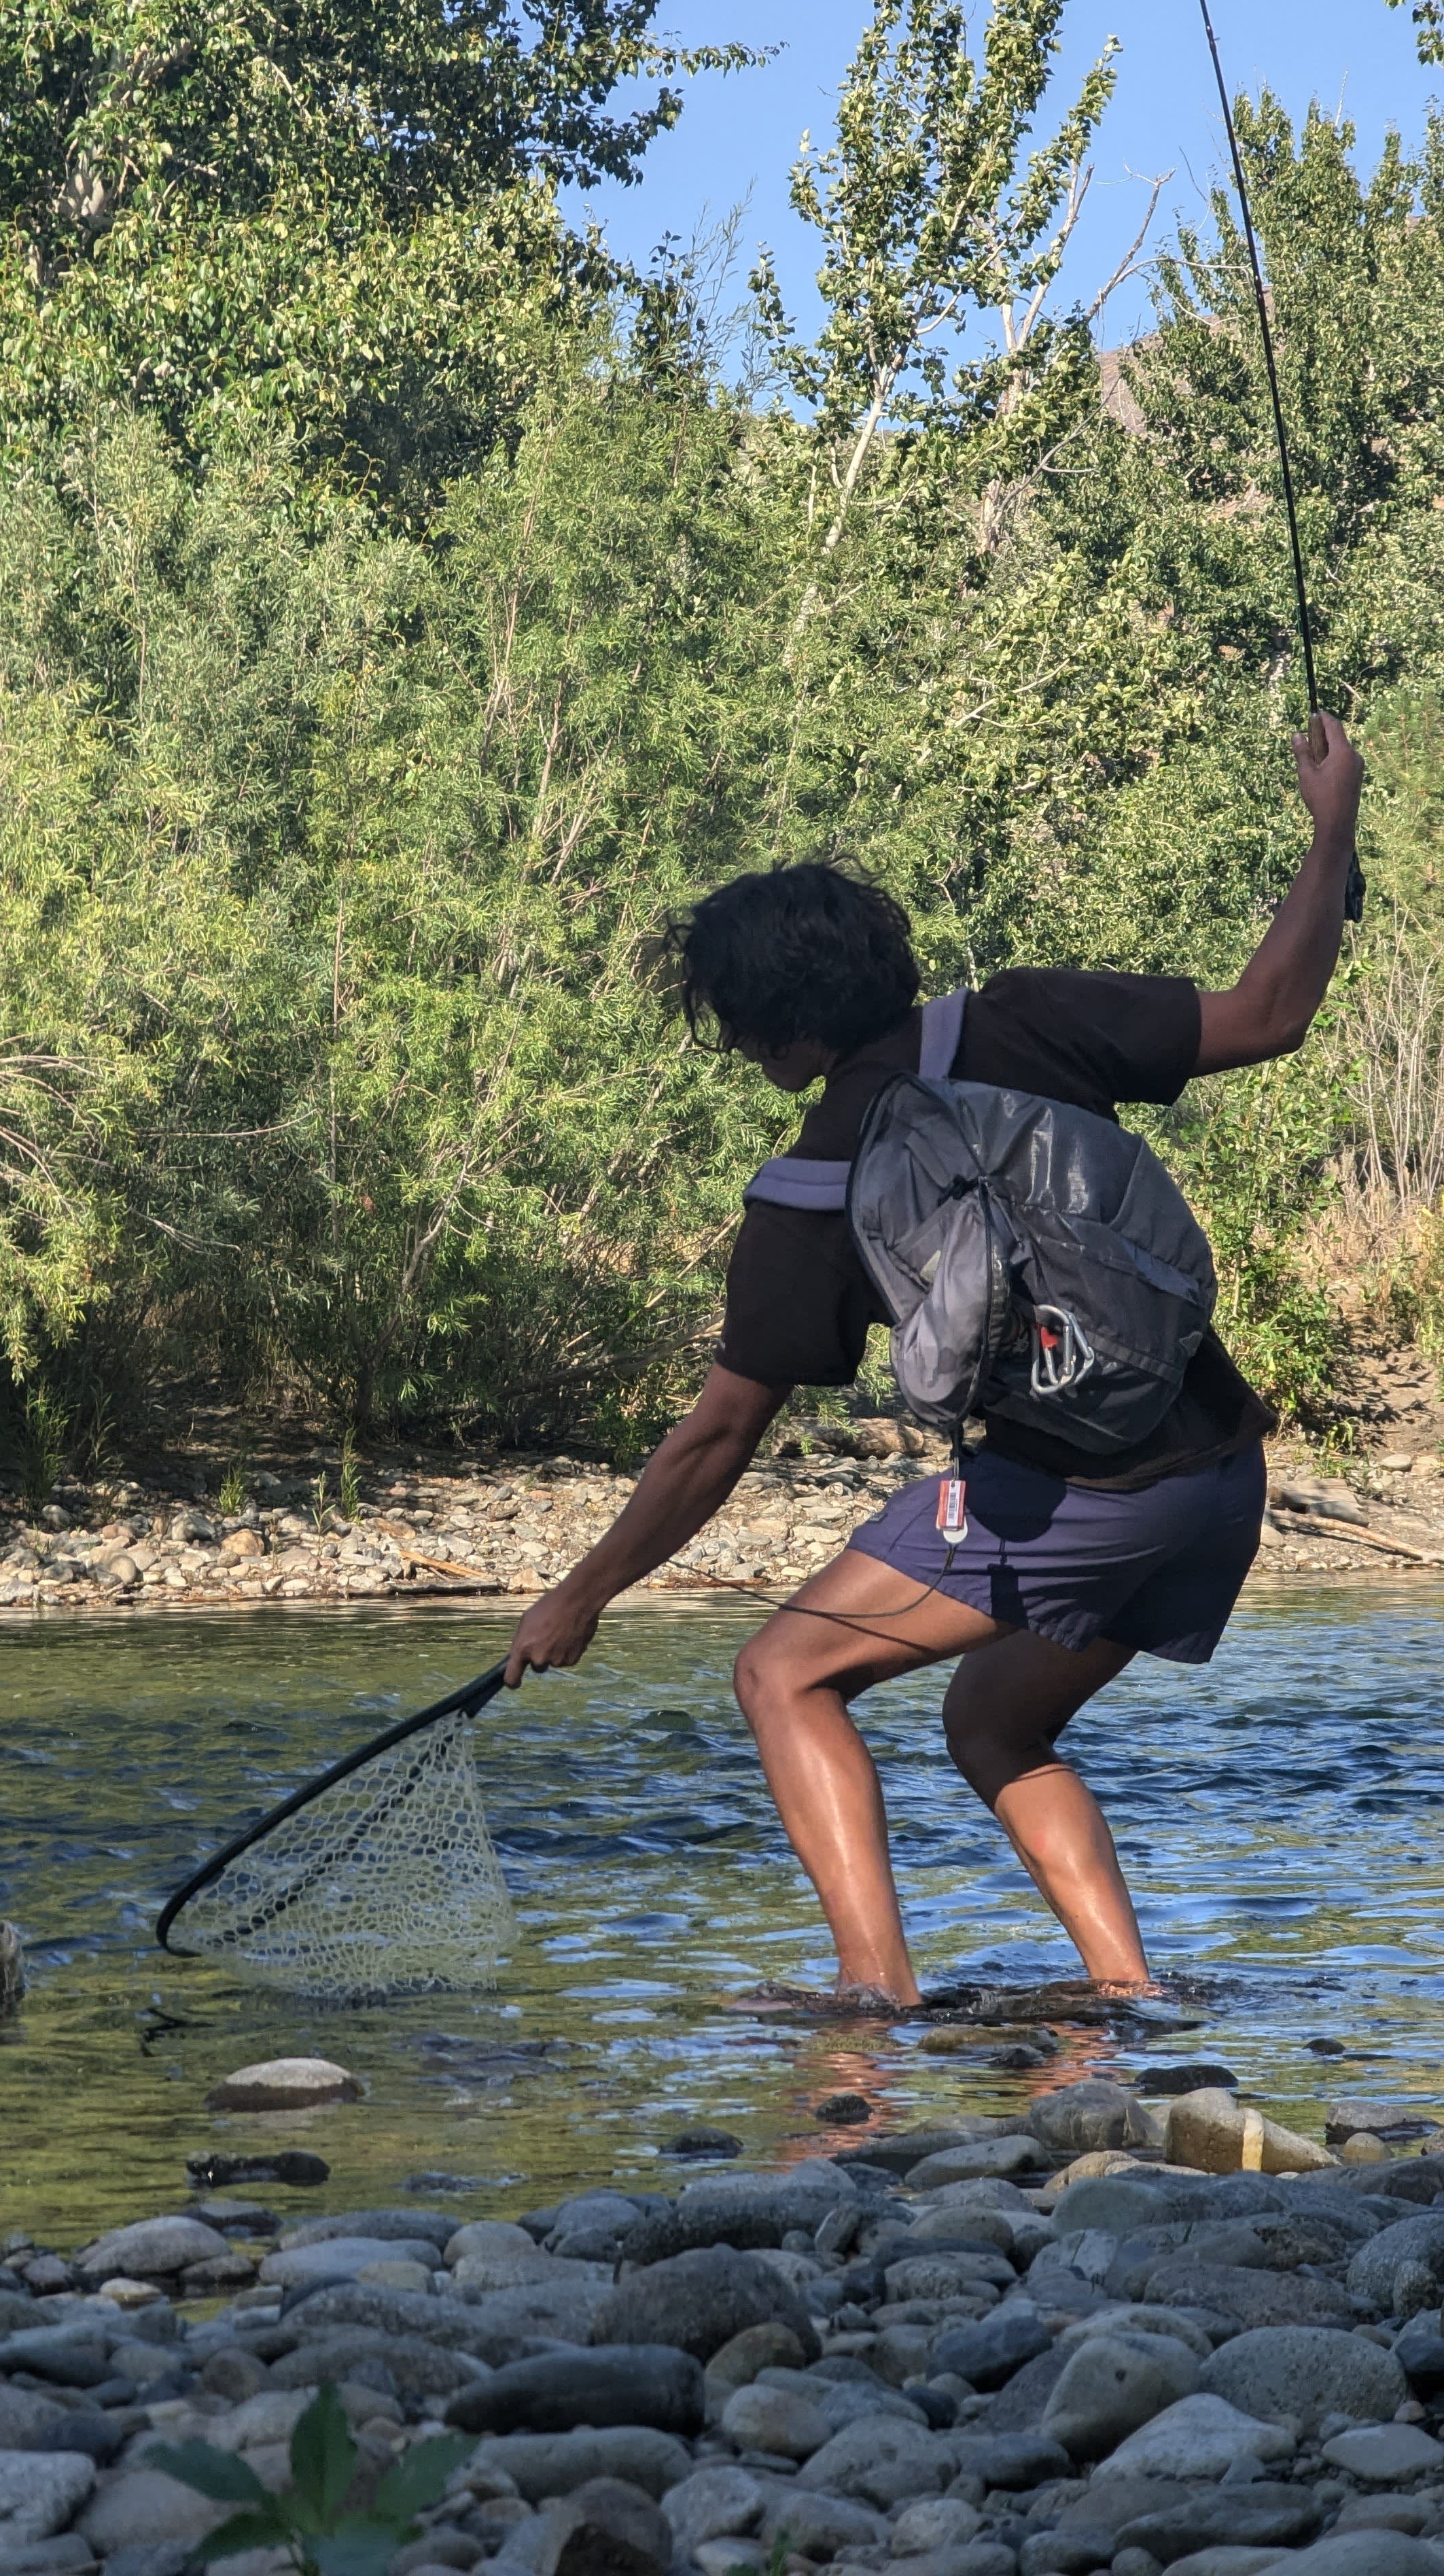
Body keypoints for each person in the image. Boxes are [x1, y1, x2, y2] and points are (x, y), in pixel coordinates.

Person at [504, 714, 1366, 2010]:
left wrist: (581, 1596)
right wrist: (1331, 826)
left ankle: (872, 2000)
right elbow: (1271, 1013)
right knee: (993, 1722)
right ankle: (1126, 2000)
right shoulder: (1027, 1015)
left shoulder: (807, 1189)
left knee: (782, 1673)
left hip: (1081, 1507)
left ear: (767, 1035)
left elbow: (717, 1437)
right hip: (1219, 1483)